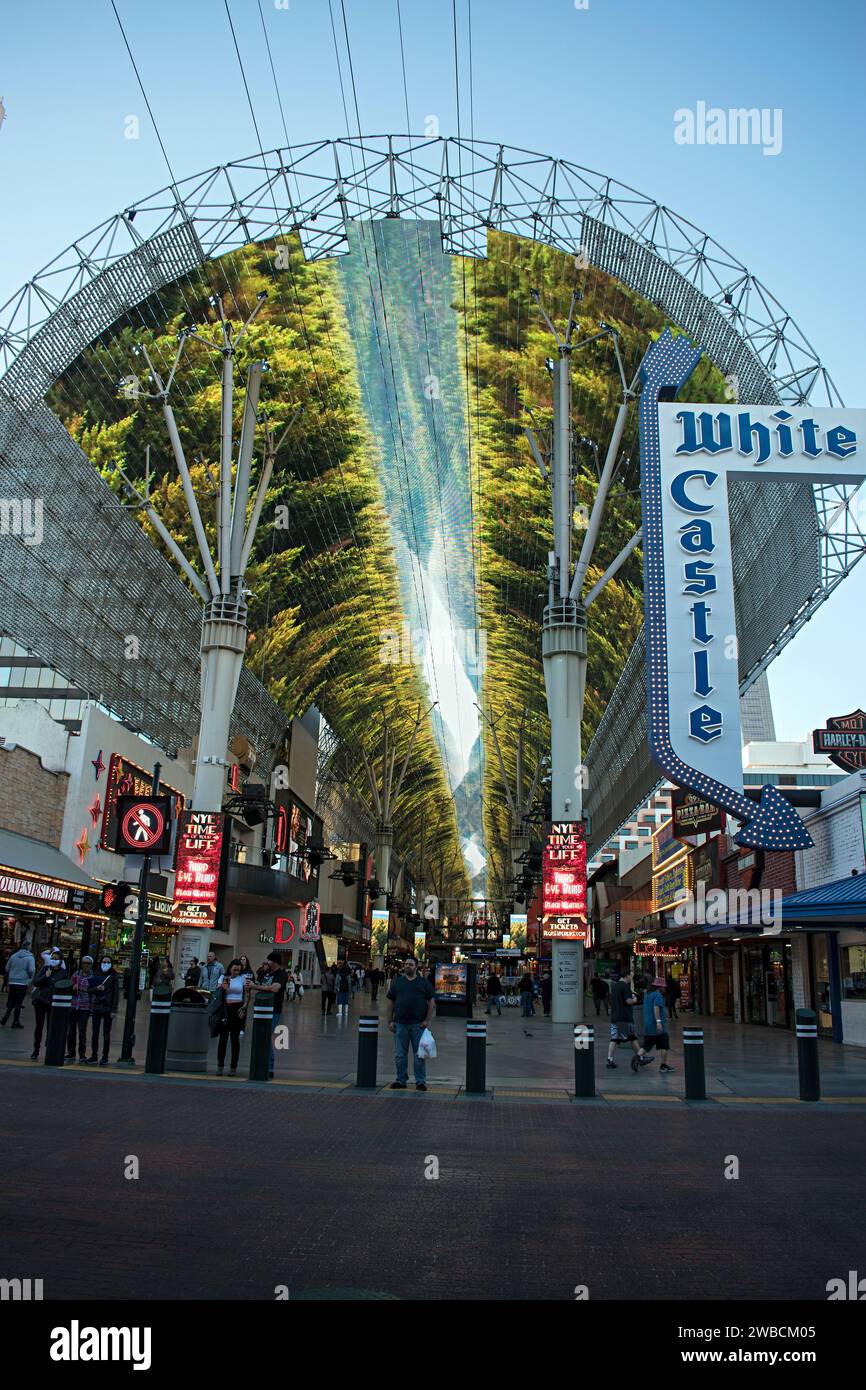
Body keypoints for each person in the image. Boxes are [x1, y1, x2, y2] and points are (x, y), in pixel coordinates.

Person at [387, 956, 435, 1091]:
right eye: (406, 964)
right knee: (400, 1055)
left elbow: (431, 1000)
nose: (407, 966)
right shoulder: (398, 982)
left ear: (416, 967)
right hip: (400, 1024)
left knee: (419, 1054)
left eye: (410, 964)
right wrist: (390, 1020)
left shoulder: (423, 983)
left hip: (418, 1025)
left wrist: (427, 1019)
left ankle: (420, 1081)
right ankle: (401, 1080)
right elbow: (390, 1001)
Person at [606, 971, 653, 1072]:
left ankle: (609, 1059)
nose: (631, 978)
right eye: (630, 976)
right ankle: (640, 1058)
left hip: (615, 1018)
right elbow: (628, 1001)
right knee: (633, 1038)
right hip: (625, 1018)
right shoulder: (625, 986)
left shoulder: (615, 986)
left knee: (614, 1039)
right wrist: (635, 999)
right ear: (626, 976)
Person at [30, 948, 67, 1059]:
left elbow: (64, 985)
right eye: (52, 958)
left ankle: (49, 1049)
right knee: (39, 1026)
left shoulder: (63, 972)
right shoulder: (46, 968)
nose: (53, 960)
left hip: (53, 1003)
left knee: (50, 1027)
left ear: (61, 960)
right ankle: (36, 1050)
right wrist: (46, 976)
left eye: (56, 958)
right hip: (41, 1001)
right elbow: (36, 982)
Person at [257, 951, 288, 1079]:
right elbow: (260, 985)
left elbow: (275, 988)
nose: (266, 962)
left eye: (269, 960)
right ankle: (261, 1064)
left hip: (274, 1009)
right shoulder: (265, 973)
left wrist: (255, 986)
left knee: (266, 1035)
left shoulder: (281, 974)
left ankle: (269, 1066)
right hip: (260, 1008)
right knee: (262, 1036)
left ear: (274, 962)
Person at [216, 961, 249, 1075]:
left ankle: (233, 1067)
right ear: (230, 968)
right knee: (223, 1039)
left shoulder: (242, 978)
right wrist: (226, 982)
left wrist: (244, 1008)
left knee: (235, 1039)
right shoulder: (224, 978)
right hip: (226, 1009)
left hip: (237, 1008)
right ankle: (220, 1066)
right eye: (234, 969)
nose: (236, 972)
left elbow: (247, 994)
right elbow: (222, 992)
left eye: (238, 970)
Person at [87, 955, 119, 1065]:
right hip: (97, 1006)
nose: (105, 964)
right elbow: (89, 990)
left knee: (106, 1033)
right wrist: (97, 988)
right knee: (94, 1033)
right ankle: (94, 1055)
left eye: (108, 962)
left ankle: (105, 1056)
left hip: (108, 1008)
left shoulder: (114, 976)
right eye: (104, 962)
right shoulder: (96, 974)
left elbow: (116, 994)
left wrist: (114, 1010)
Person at [643, 976, 674, 1072]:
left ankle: (637, 1057)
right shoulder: (658, 995)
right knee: (664, 1045)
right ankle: (663, 1065)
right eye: (663, 987)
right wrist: (659, 1022)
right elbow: (656, 1008)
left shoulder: (647, 994)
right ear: (659, 987)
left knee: (648, 1044)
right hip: (657, 1025)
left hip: (648, 1024)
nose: (664, 989)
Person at [1, 941, 35, 1028]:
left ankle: (6, 1016)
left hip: (12, 981)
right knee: (18, 1003)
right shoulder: (30, 958)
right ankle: (15, 1021)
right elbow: (31, 970)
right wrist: (29, 978)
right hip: (22, 982)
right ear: (28, 947)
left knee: (11, 1000)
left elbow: (7, 968)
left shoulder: (13, 956)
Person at [66, 954, 93, 1061]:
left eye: (88, 963)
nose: (85, 965)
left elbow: (94, 993)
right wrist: (72, 987)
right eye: (84, 963)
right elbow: (68, 987)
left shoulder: (93, 977)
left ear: (91, 965)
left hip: (84, 1007)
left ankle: (82, 1054)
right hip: (73, 1006)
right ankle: (71, 1052)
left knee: (82, 1031)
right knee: (71, 1031)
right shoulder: (76, 975)